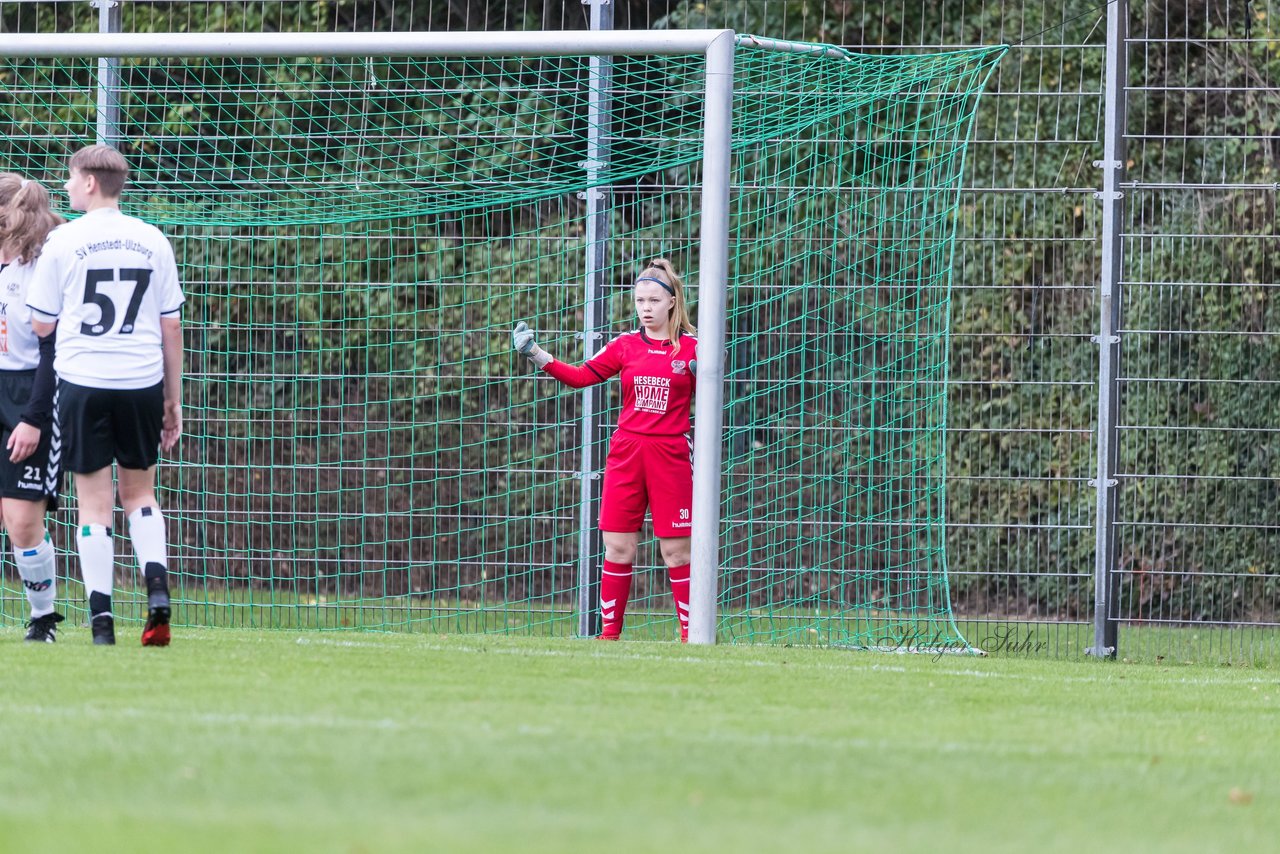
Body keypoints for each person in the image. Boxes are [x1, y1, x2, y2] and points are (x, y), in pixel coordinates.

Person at [27, 144, 185, 647]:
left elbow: (41, 323)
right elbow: (171, 325)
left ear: (91, 182)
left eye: (71, 178)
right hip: (141, 382)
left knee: (92, 506)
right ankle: (156, 592)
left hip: (83, 382)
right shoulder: (152, 239)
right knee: (140, 494)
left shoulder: (63, 240)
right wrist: (172, 398)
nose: (67, 187)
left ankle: (102, 624)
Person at [513, 258, 697, 641]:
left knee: (677, 552)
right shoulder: (626, 345)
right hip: (628, 453)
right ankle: (608, 637)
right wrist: (536, 354)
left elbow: (718, 391)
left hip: (672, 455)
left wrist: (705, 372)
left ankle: (691, 637)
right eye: (639, 300)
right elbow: (582, 376)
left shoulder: (694, 348)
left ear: (672, 302)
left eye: (653, 300)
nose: (645, 308)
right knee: (617, 547)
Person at [0, 173, 66, 642]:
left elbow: (52, 353)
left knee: (22, 521)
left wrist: (33, 418)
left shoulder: (43, 266)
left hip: (28, 396)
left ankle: (43, 621)